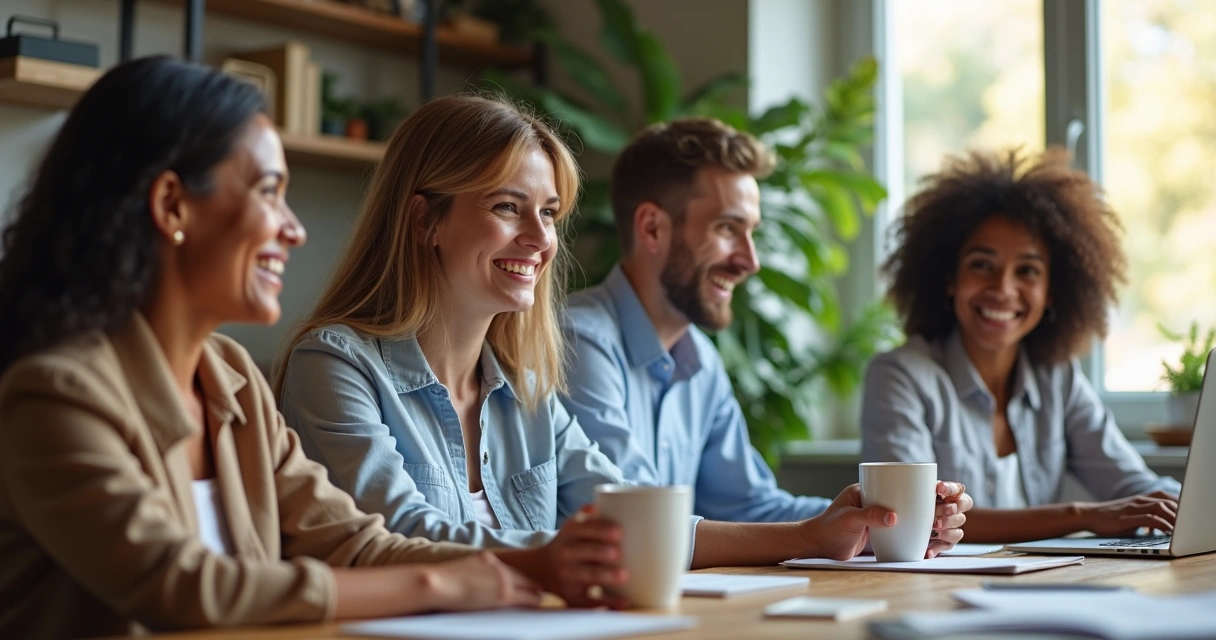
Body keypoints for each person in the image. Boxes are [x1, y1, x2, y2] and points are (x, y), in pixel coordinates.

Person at [276, 96, 952, 591]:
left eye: (548, 214)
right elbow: (399, 540)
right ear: (426, 218)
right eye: (508, 208)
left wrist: (815, 535)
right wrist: (567, 555)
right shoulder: (334, 366)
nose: (541, 242)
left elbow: (631, 510)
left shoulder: (527, 389)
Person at [0, 58, 542, 639]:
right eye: (268, 192)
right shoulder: (53, 394)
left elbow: (352, 542)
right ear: (172, 206)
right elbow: (181, 586)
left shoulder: (230, 378)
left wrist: (533, 565)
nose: (295, 228)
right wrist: (439, 586)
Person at [557, 117, 971, 557]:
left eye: (750, 231)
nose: (750, 261)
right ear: (653, 228)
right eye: (727, 229)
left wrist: (888, 521)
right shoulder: (579, 341)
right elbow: (635, 524)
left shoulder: (700, 359)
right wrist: (817, 535)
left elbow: (752, 505)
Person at [861, 148, 1181, 543]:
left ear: (1051, 293)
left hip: (1039, 585)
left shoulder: (1057, 378)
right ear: (949, 279)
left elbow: (1133, 484)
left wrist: (1183, 506)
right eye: (982, 264)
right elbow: (913, 517)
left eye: (1027, 270)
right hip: (935, 593)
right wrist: (1084, 515)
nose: (1003, 289)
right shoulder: (900, 376)